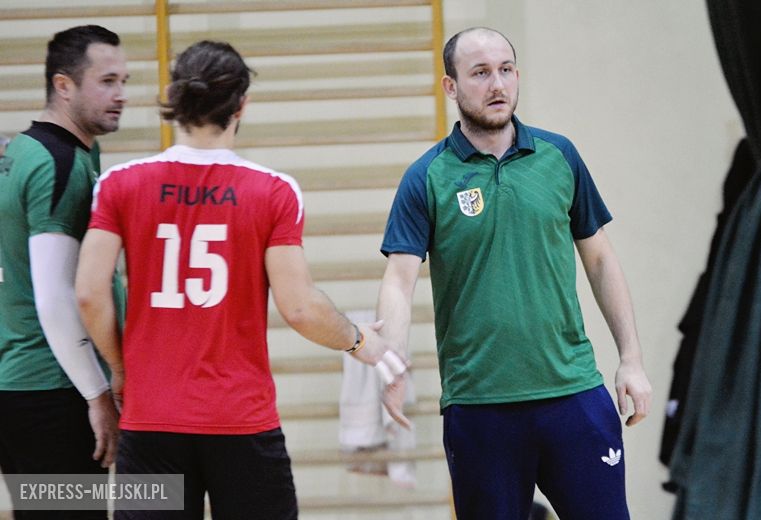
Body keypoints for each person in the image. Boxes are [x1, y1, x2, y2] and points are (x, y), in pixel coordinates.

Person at [75, 40, 407, 520]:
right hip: (241, 424)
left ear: (175, 98)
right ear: (242, 105)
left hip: (152, 424)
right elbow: (300, 308)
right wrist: (362, 343)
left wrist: (120, 368)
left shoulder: (120, 183)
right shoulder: (272, 191)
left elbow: (89, 294)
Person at [377, 27, 652, 519]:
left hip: (573, 394)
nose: (497, 84)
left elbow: (601, 259)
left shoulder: (559, 156)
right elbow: (399, 279)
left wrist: (631, 358)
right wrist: (391, 361)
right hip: (480, 406)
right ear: (451, 87)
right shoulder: (427, 176)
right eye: (480, 73)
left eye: (505, 70)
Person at [0, 25, 128, 518]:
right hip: (52, 393)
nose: (121, 96)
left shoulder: (27, 151)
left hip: (27, 390)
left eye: (124, 81)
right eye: (107, 81)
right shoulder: (59, 164)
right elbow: (55, 295)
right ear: (64, 85)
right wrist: (98, 394)